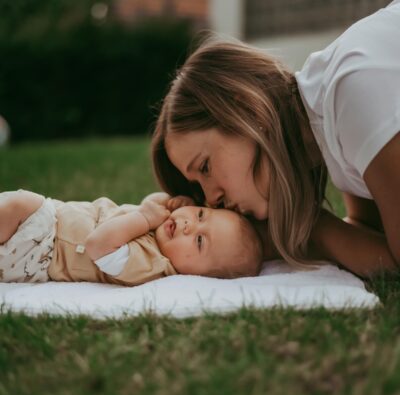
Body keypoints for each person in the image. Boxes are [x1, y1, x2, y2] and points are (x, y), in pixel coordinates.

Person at [151, 1, 400, 277]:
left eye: (205, 167)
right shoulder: (327, 123)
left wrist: (312, 229)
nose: (211, 199)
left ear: (244, 107)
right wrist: (305, 230)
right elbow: (375, 241)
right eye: (198, 184)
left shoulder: (351, 91)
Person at [0, 190, 262, 285]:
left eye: (200, 241)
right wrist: (165, 204)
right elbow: (148, 203)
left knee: (18, 205)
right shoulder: (161, 234)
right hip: (48, 225)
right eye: (201, 214)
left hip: (42, 246)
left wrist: (146, 218)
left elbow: (97, 245)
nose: (188, 225)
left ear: (200, 276)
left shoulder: (149, 264)